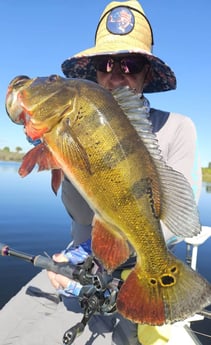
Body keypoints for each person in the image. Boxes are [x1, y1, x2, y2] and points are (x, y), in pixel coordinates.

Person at [0, 1, 202, 345]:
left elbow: (176, 221)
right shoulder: (69, 120)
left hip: (135, 271)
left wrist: (129, 259)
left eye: (131, 64)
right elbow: (79, 212)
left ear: (146, 74)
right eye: (105, 63)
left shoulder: (178, 128)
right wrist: (54, 147)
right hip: (82, 273)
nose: (116, 73)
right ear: (93, 70)